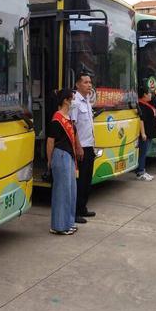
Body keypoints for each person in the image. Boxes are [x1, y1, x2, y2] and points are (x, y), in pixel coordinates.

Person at [47, 89, 78, 235]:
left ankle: (68, 222)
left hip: (69, 156)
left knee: (71, 190)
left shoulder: (68, 117)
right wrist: (49, 160)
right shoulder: (57, 119)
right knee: (62, 191)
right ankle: (59, 226)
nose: (73, 101)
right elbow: (50, 141)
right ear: (66, 100)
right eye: (72, 98)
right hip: (60, 156)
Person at [70, 72, 96, 224]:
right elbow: (73, 126)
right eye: (86, 82)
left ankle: (83, 208)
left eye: (90, 82)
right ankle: (75, 211)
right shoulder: (75, 102)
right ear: (78, 85)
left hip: (89, 145)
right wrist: (78, 147)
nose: (89, 85)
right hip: (81, 147)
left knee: (87, 180)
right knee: (79, 181)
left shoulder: (87, 101)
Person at [135, 87, 156, 181]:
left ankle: (143, 170)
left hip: (150, 132)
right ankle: (140, 172)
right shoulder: (140, 105)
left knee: (145, 152)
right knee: (143, 153)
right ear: (144, 94)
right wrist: (143, 133)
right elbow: (141, 120)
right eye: (149, 93)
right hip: (145, 133)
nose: (151, 95)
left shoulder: (147, 104)